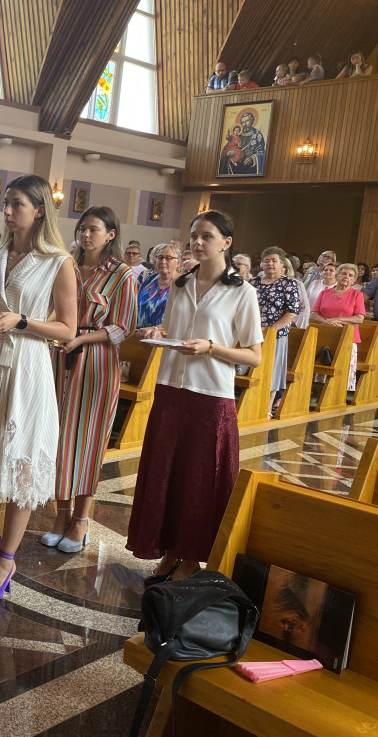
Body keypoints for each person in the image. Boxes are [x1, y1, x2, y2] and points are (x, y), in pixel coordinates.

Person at [0, 174, 77, 601]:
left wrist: (23, 321)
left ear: (40, 209)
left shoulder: (57, 261)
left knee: (18, 462)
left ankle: (6, 560)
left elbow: (68, 327)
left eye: (17, 204)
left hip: (27, 365)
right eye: (5, 203)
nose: (7, 212)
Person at [127, 210, 263, 583]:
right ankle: (169, 551)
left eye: (206, 236)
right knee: (168, 474)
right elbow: (172, 328)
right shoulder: (181, 284)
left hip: (210, 396)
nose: (198, 243)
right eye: (193, 237)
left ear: (226, 242)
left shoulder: (242, 293)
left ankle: (191, 557)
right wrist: (157, 333)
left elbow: (253, 356)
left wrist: (211, 348)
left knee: (200, 480)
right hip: (172, 389)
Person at [45, 206, 137, 553]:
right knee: (58, 437)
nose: (86, 235)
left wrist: (82, 338)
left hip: (95, 360)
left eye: (94, 229)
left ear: (110, 234)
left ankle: (81, 518)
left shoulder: (122, 275)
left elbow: (122, 326)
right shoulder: (66, 264)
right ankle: (60, 513)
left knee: (87, 440)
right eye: (82, 228)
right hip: (59, 355)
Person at [250, 247, 300, 410]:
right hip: (253, 332)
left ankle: (267, 407)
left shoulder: (289, 283)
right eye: (267, 261)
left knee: (272, 370)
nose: (270, 264)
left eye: (274, 261)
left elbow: (292, 312)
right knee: (251, 369)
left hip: (275, 334)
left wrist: (271, 330)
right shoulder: (254, 282)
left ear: (281, 264)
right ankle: (249, 404)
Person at [311, 263, 365, 392]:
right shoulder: (325, 293)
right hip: (325, 335)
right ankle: (318, 393)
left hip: (347, 337)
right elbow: (314, 314)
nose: (346, 277)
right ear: (337, 275)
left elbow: (359, 318)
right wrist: (326, 322)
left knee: (341, 371)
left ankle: (338, 394)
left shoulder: (356, 295)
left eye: (350, 275)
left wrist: (337, 320)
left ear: (354, 280)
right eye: (343, 273)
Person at [135, 243, 179, 337]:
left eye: (168, 258)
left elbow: (182, 318)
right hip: (141, 336)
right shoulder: (148, 280)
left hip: (165, 338)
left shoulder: (183, 284)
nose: (163, 261)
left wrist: (154, 329)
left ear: (178, 263)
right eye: (160, 257)